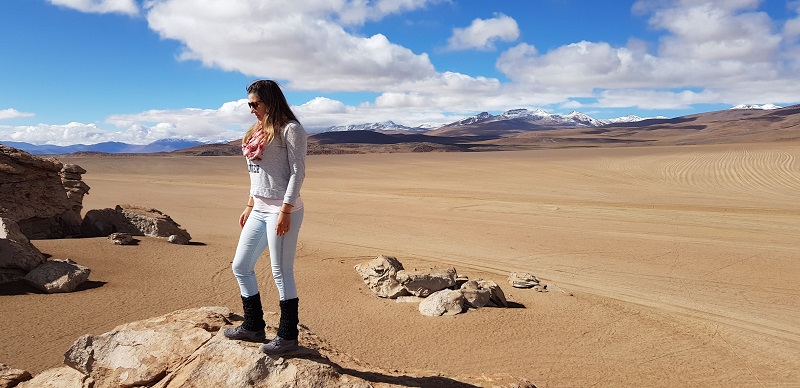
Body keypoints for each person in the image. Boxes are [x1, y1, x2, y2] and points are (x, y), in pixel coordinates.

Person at [223, 80, 307, 354]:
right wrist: (249, 204)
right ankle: (253, 326)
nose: (251, 109)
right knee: (241, 265)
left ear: (270, 101)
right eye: (249, 104)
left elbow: (297, 172)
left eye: (255, 104)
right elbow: (256, 174)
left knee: (281, 271)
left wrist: (285, 210)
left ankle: (287, 336)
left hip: (282, 210)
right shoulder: (257, 131)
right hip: (259, 208)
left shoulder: (290, 129)